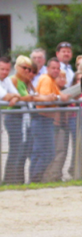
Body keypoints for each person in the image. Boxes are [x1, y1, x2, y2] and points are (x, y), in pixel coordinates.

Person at [2, 56, 40, 184]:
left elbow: (16, 96)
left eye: (29, 69)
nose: (28, 71)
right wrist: (13, 97)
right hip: (13, 118)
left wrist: (13, 97)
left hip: (20, 119)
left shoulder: (12, 81)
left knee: (20, 150)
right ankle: (10, 180)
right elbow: (11, 97)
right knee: (16, 150)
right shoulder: (14, 80)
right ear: (17, 68)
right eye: (25, 68)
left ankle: (15, 180)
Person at [30, 58, 67, 183]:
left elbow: (62, 97)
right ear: (47, 68)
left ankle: (34, 179)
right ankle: (35, 179)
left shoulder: (52, 80)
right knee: (47, 152)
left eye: (58, 68)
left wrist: (57, 97)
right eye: (53, 68)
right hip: (42, 119)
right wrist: (54, 98)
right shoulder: (46, 79)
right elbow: (46, 99)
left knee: (41, 151)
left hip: (45, 120)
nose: (56, 70)